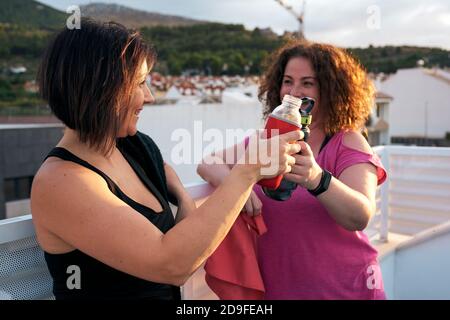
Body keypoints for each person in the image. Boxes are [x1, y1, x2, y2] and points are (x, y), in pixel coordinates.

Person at [30, 19, 302, 300]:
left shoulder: (134, 146)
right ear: (100, 90)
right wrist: (246, 173)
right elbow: (172, 265)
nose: (149, 97)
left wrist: (183, 198)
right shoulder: (60, 183)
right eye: (139, 83)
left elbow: (172, 214)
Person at [197, 40, 388, 299]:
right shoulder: (266, 140)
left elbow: (360, 215)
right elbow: (208, 162)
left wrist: (316, 178)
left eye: (307, 83)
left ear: (331, 90)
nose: (294, 91)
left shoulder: (348, 142)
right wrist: (235, 187)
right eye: (288, 81)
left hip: (346, 290)